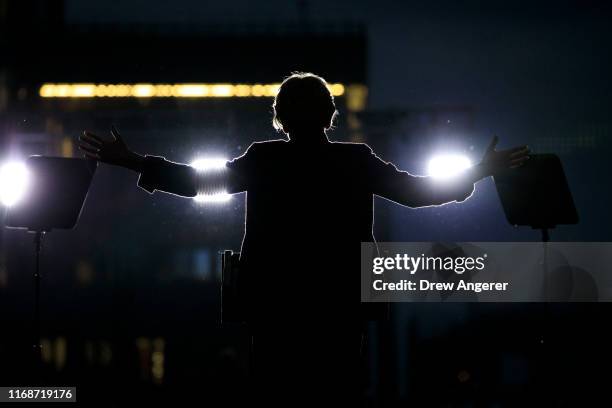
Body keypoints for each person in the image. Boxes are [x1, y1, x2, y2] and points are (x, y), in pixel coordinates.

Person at [78, 72, 529, 405]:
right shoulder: (356, 161)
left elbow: (198, 183)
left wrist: (134, 161)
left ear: (280, 118)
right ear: (330, 115)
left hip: (275, 305)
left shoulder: (265, 161)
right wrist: (479, 171)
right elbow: (417, 193)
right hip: (339, 304)